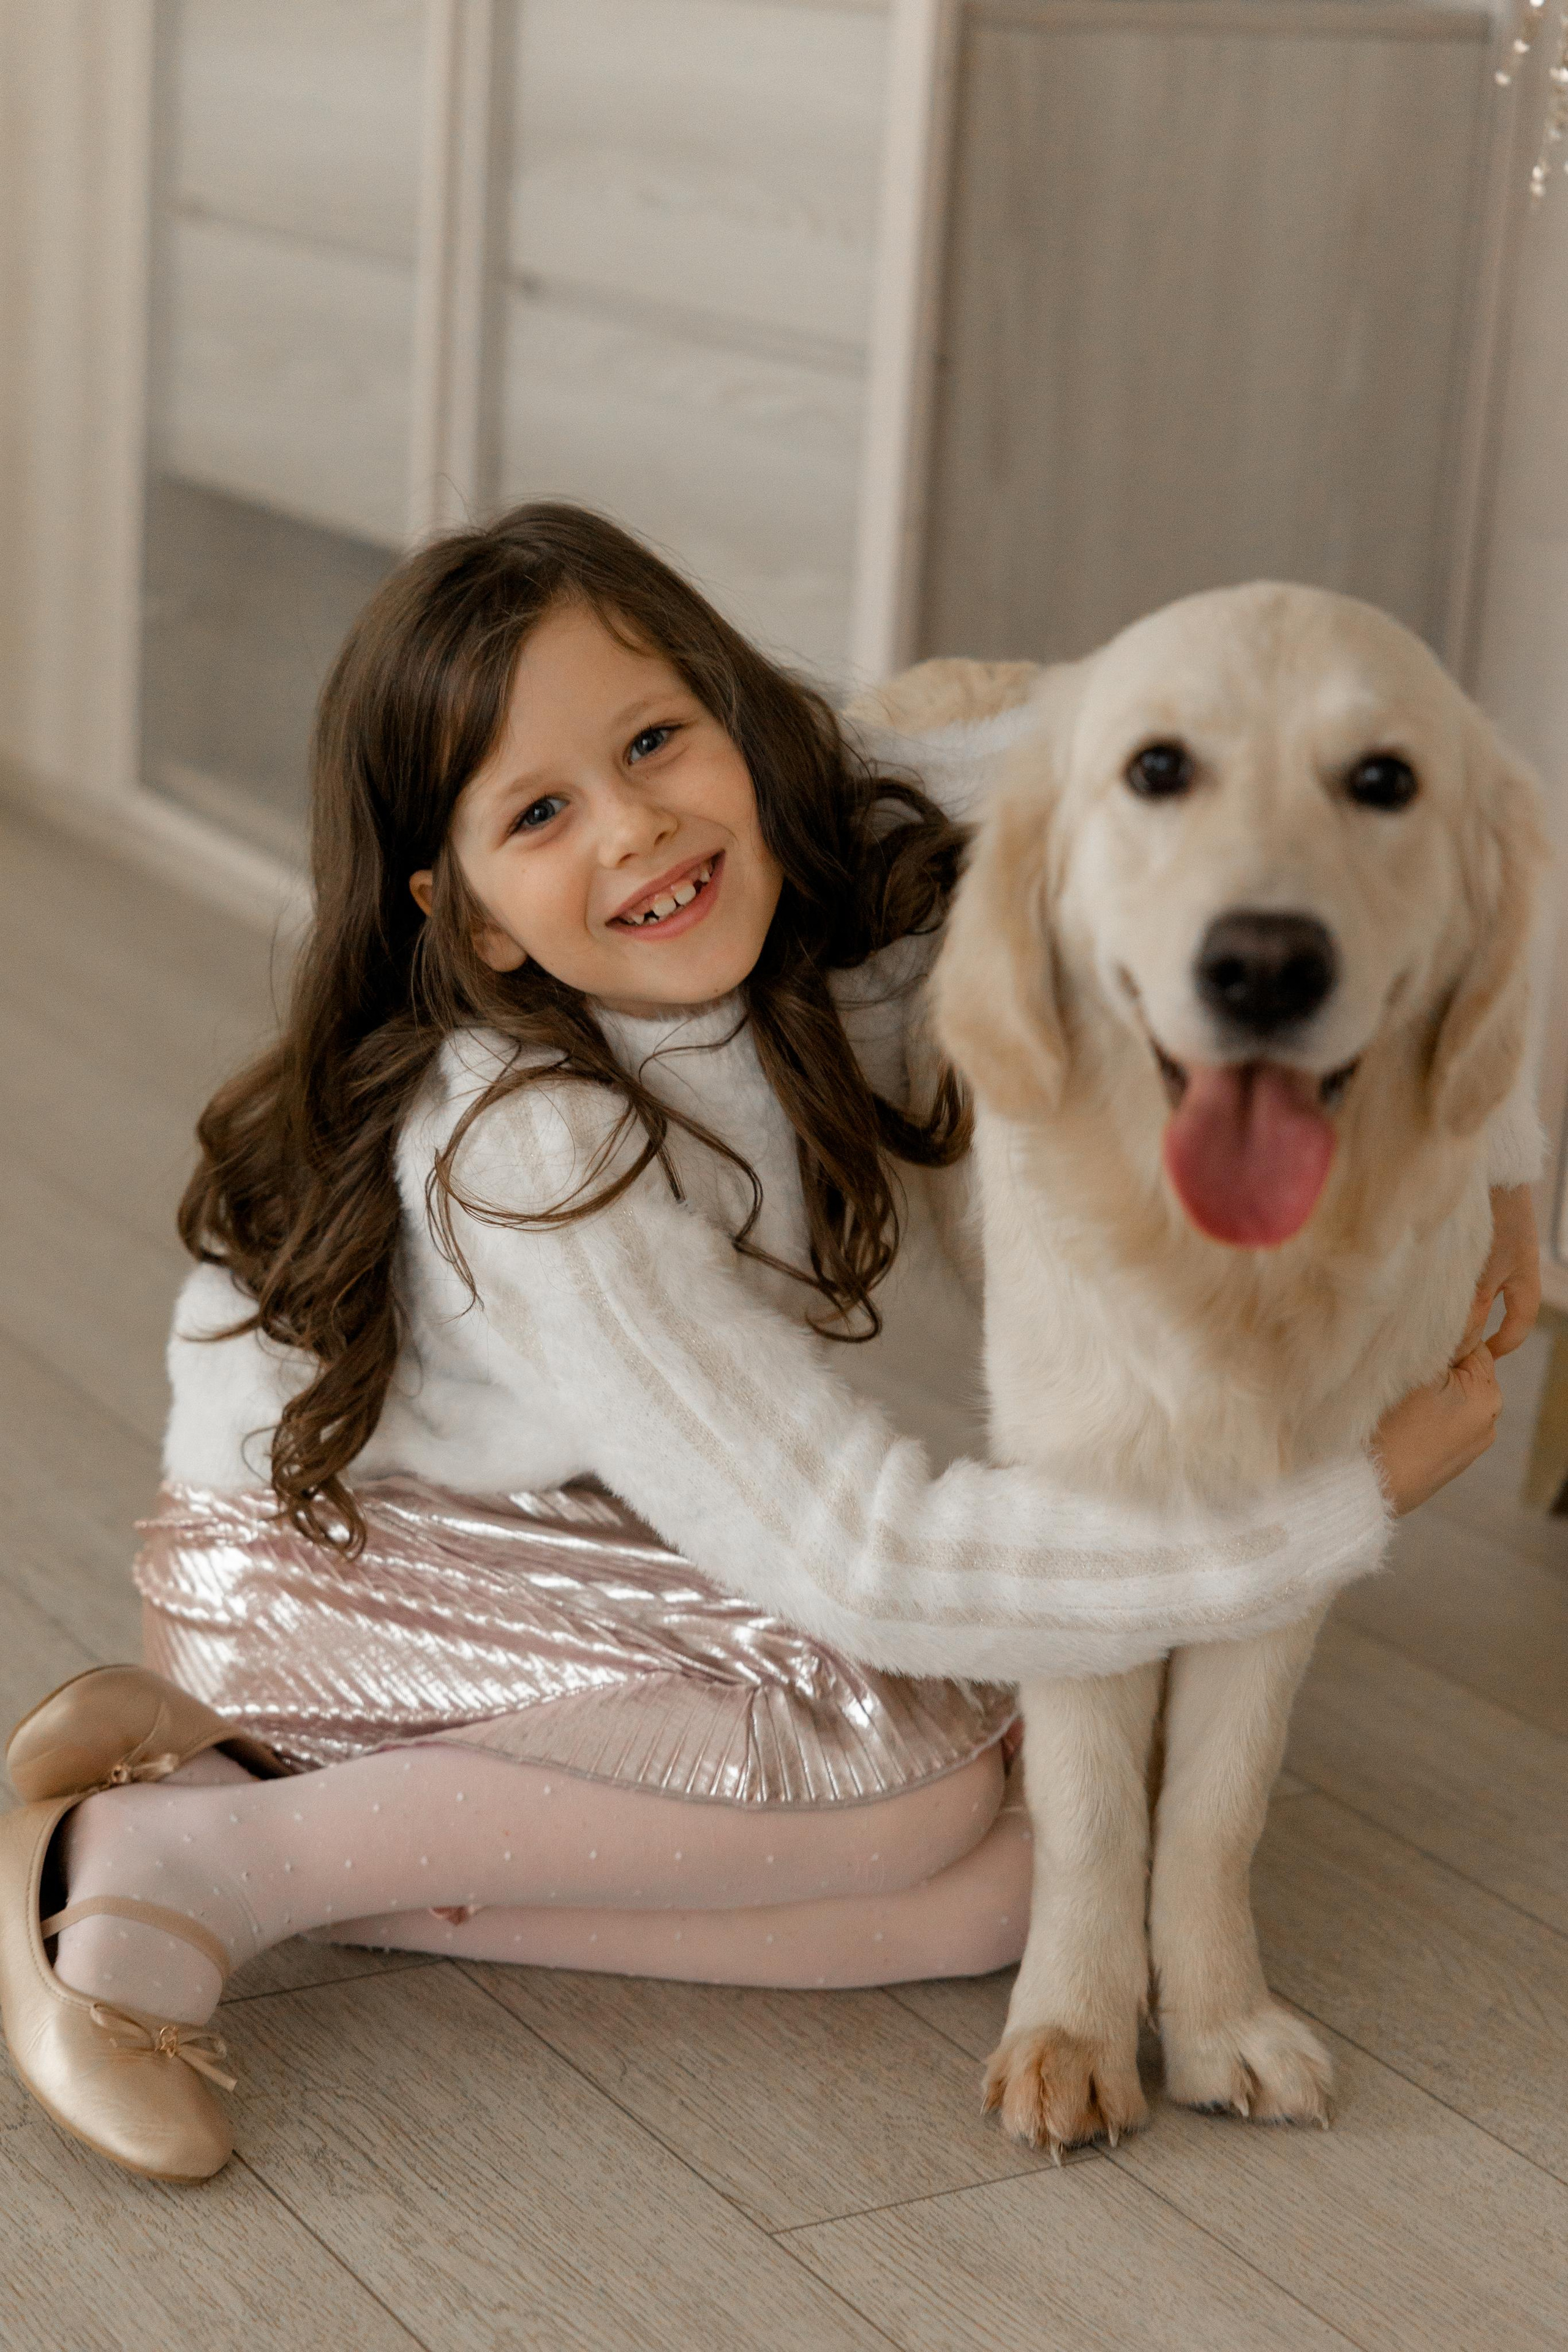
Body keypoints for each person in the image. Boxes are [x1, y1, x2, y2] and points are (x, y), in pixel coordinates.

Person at [0, 505, 1534, 2184]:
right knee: (914, 1791)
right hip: (343, 1580)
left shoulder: (818, 856)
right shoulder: (531, 1152)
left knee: (1010, 1882)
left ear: (734, 718)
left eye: (657, 738)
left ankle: (390, 1845)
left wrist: (1507, 1178)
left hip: (581, 1528)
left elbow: (1386, 802)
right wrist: (1348, 1494)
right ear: (478, 919)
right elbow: (865, 1556)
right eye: (540, 811)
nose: (639, 826)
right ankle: (188, 1855)